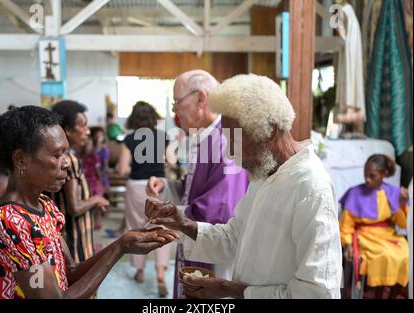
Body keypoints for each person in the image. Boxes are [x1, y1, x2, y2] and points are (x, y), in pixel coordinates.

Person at [146, 74, 342, 299]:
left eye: (236, 140)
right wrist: (182, 223)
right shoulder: (263, 176)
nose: (230, 152)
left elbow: (317, 293)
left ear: (269, 131)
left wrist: (230, 290)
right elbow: (233, 236)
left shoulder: (310, 187)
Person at [0, 105, 179, 299]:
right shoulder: (7, 221)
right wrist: (119, 249)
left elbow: (71, 272)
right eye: (56, 155)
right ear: (20, 159)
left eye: (66, 152)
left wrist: (122, 243)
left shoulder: (44, 206)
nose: (65, 163)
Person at [146, 70, 249, 299]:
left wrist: (171, 214)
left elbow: (219, 209)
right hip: (198, 244)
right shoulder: (205, 136)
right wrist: (166, 186)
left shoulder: (225, 141)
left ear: (201, 99)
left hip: (214, 254)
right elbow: (195, 189)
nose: (174, 111)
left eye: (177, 102)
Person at [115, 101, 171, 297]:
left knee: (137, 226)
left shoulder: (128, 139)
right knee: (162, 227)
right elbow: (170, 164)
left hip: (136, 186)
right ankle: (161, 272)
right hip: (159, 184)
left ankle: (139, 271)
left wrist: (134, 168)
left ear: (133, 118)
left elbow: (122, 169)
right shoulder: (164, 137)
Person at [339, 154, 410, 299]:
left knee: (406, 254)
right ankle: (377, 294)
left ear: (383, 174)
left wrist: (402, 204)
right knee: (383, 255)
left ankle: (392, 294)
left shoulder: (393, 192)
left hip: (388, 234)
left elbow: (402, 224)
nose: (367, 179)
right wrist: (347, 245)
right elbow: (346, 225)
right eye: (366, 175)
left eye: (372, 176)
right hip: (365, 235)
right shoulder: (355, 192)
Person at [50, 100, 110, 263]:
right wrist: (97, 199)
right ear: (67, 130)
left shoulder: (55, 157)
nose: (87, 131)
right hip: (74, 241)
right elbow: (75, 207)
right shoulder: (69, 160)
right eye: (83, 125)